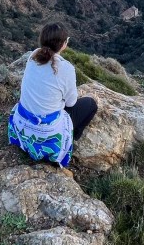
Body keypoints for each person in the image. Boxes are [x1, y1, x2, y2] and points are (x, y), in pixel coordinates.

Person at [8, 23, 98, 167]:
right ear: (63, 44)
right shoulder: (66, 68)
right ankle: (72, 136)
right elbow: (71, 103)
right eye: (66, 40)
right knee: (91, 104)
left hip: (23, 125)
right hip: (44, 133)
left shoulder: (33, 56)